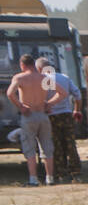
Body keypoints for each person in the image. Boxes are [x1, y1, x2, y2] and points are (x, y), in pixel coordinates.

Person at [5, 54, 55, 186]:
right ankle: (50, 178)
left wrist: (21, 106)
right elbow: (62, 93)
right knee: (47, 147)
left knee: (30, 147)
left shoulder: (20, 77)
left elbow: (10, 93)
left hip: (29, 115)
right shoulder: (44, 78)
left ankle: (33, 179)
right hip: (42, 115)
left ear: (22, 65)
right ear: (34, 64)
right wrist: (49, 104)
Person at [36, 57, 82, 183]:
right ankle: (76, 171)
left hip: (51, 116)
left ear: (39, 69)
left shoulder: (42, 80)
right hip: (66, 114)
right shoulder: (64, 77)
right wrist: (77, 110)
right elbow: (77, 94)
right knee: (70, 143)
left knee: (56, 145)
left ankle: (61, 172)